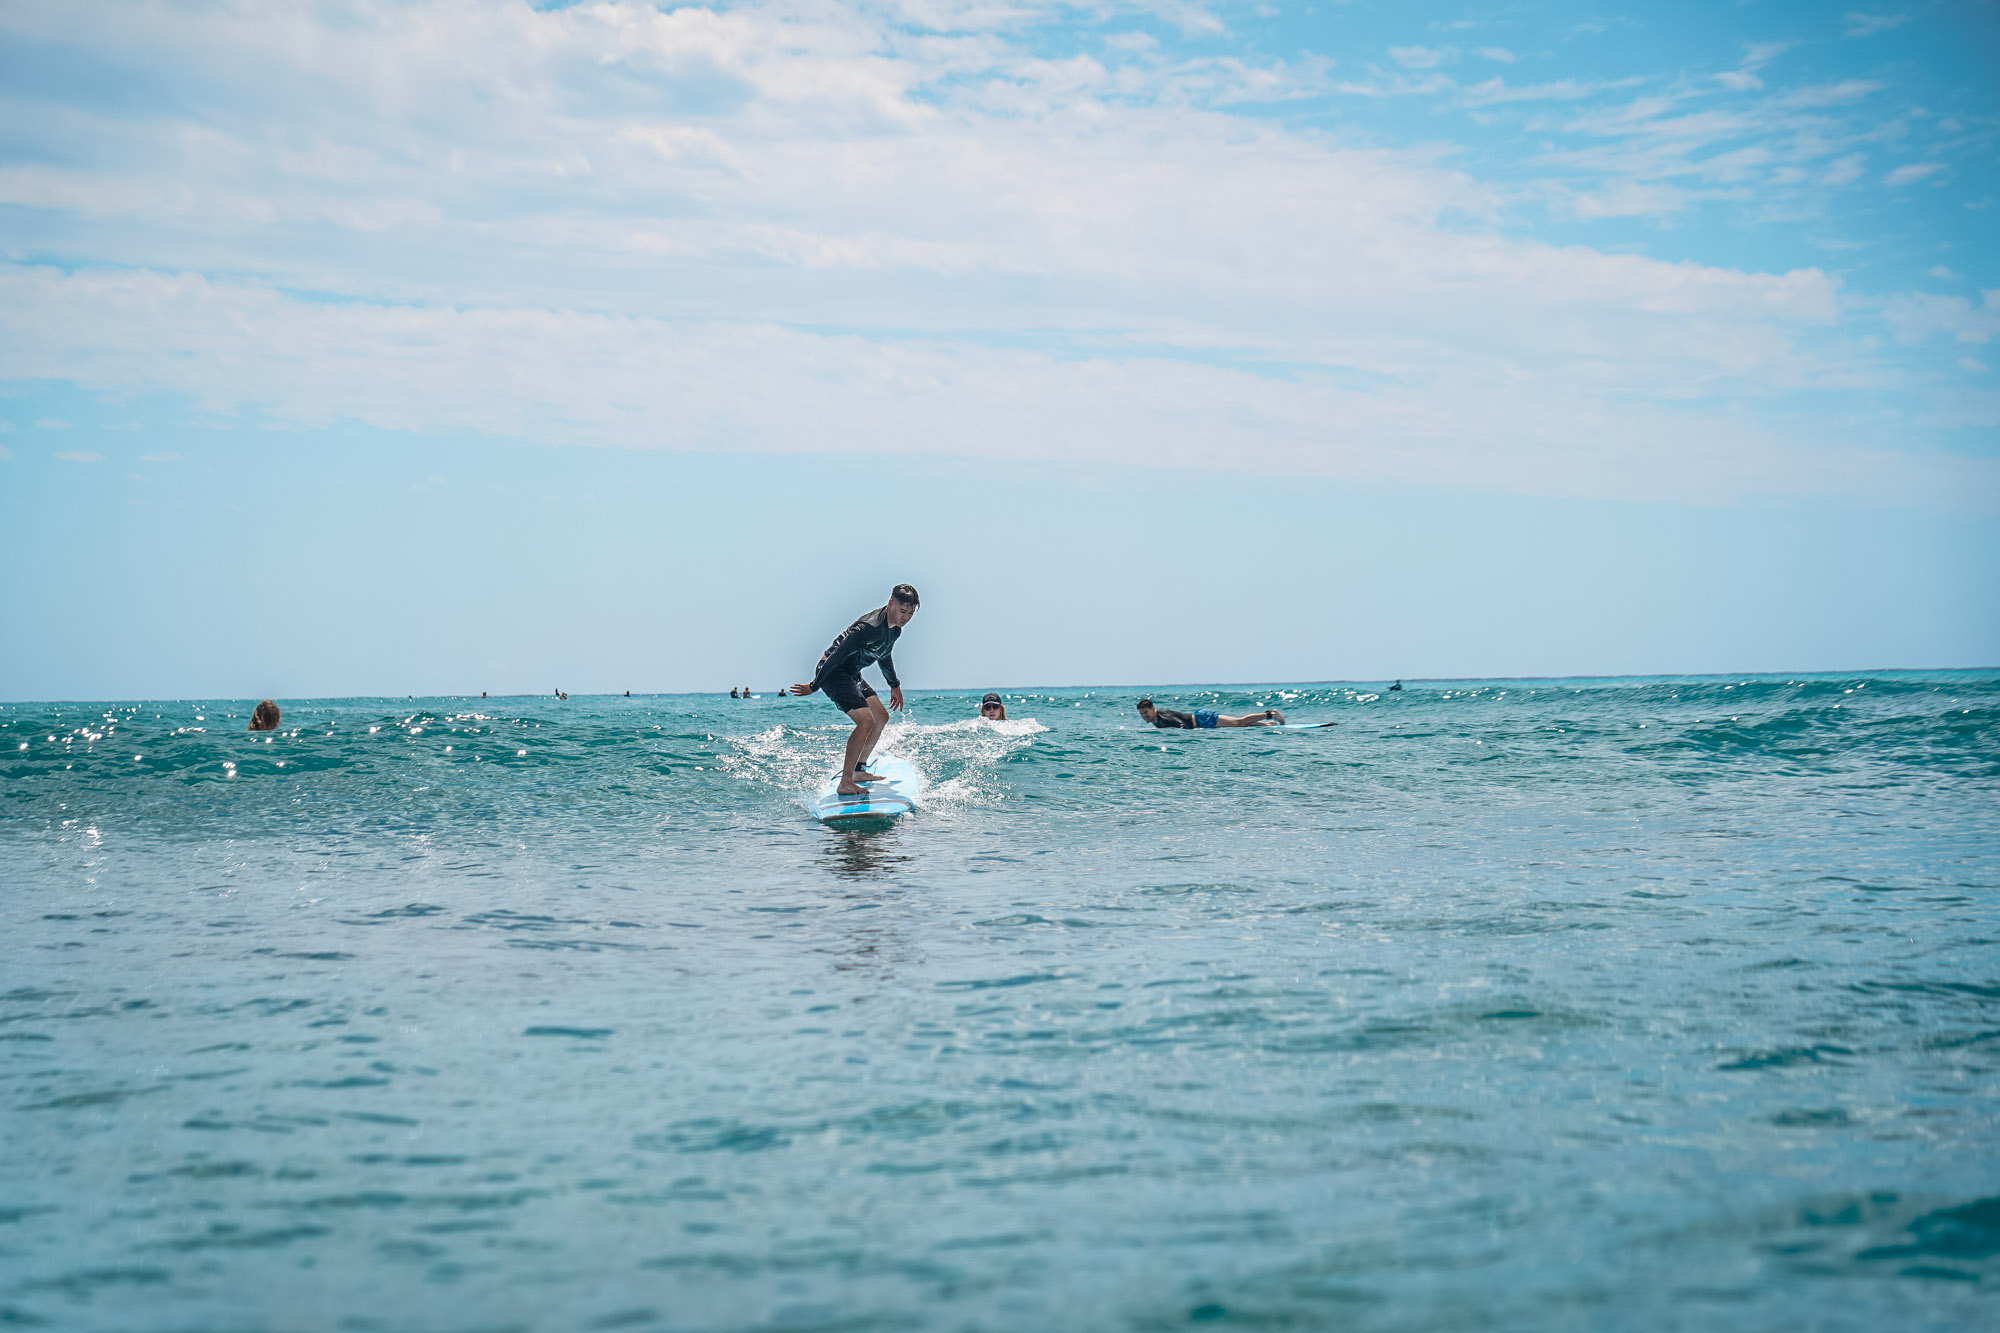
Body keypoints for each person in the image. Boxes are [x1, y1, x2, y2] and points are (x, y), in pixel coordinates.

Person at [791, 584, 920, 796]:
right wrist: (814, 685)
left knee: (880, 717)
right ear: (890, 604)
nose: (905, 617)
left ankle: (859, 770)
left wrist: (894, 685)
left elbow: (884, 654)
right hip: (833, 672)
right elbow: (837, 655)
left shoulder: (895, 630)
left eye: (910, 613)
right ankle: (846, 782)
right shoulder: (868, 627)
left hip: (852, 673)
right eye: (902, 611)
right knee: (866, 721)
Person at [1137, 697, 1284, 729]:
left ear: (1153, 709)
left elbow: (1182, 726)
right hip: (1201, 720)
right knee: (1238, 724)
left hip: (1203, 719)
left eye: (1146, 712)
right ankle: (1269, 724)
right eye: (1141, 714)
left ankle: (1271, 714)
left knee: (1239, 722)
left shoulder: (1164, 718)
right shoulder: (1157, 719)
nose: (1144, 716)